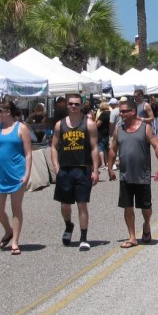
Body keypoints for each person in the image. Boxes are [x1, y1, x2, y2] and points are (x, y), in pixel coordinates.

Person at [107, 97, 158, 248]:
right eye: (120, 112)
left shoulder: (145, 128)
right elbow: (113, 149)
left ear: (133, 112)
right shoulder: (119, 129)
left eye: (124, 112)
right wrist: (110, 168)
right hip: (125, 175)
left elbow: (157, 147)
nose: (121, 114)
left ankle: (146, 225)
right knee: (128, 207)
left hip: (143, 175)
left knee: (145, 208)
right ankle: (132, 237)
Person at [0, 100, 32, 255]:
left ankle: (15, 241)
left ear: (8, 112)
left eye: (0, 111)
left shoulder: (21, 128)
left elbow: (28, 154)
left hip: (17, 174)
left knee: (16, 208)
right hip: (0, 175)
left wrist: (27, 173)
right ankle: (8, 230)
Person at [50, 93, 100, 251]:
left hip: (83, 168)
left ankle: (84, 238)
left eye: (77, 104)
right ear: (67, 105)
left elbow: (94, 148)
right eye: (71, 104)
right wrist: (56, 166)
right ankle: (68, 225)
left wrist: (96, 170)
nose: (73, 106)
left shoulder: (89, 123)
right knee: (65, 204)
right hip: (65, 169)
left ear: (81, 105)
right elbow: (53, 146)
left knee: (82, 204)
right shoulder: (60, 125)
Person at [95, 101, 112, 170]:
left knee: (100, 148)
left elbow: (98, 124)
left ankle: (102, 163)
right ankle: (108, 162)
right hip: (109, 133)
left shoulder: (103, 114)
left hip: (102, 133)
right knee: (107, 148)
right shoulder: (111, 113)